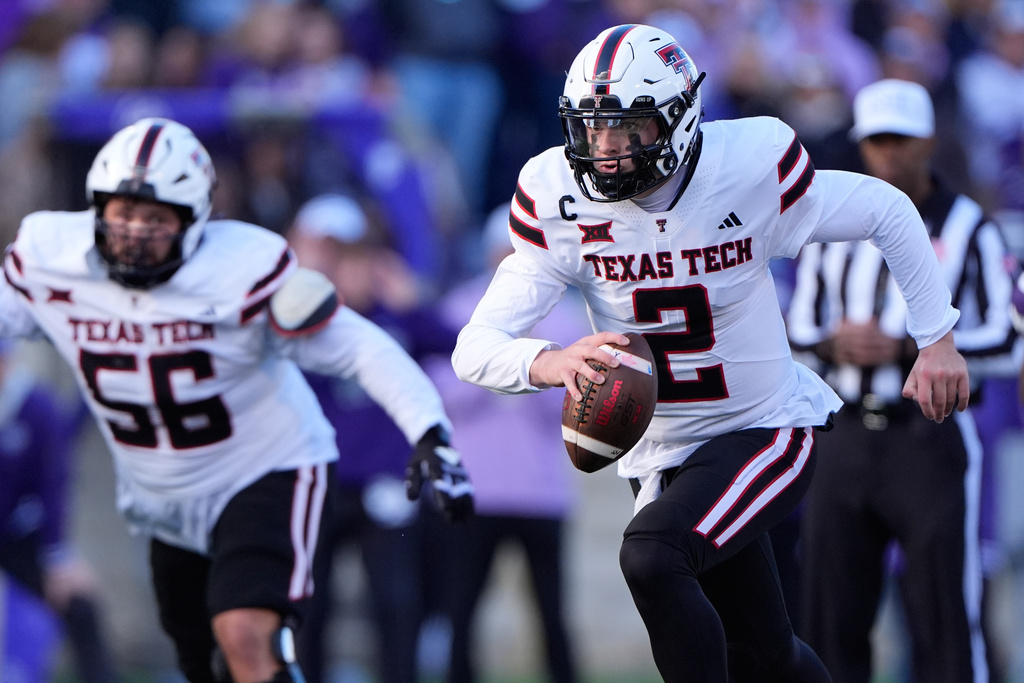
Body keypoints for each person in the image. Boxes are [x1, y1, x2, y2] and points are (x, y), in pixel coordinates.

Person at [451, 24, 970, 683]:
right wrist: (549, 360)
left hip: (764, 428)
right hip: (665, 455)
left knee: (651, 555)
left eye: (628, 128)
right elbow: (475, 348)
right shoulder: (557, 197)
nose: (605, 151)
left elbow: (888, 210)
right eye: (592, 129)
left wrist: (937, 340)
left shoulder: (745, 166)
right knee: (763, 656)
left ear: (680, 117)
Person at [0, 117, 474, 683]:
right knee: (204, 657)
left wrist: (428, 428)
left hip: (264, 467)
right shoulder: (53, 257)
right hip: (164, 489)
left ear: (195, 220)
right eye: (122, 212)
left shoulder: (241, 271)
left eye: (155, 218)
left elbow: (359, 347)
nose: (133, 231)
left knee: (247, 633)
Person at [786, 77, 1016, 683]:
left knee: (942, 616)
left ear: (928, 142)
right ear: (862, 144)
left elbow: (1008, 336)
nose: (889, 153)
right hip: (843, 437)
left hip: (928, 436)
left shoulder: (970, 226)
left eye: (902, 140)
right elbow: (798, 323)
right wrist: (834, 341)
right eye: (878, 140)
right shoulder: (831, 223)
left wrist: (915, 346)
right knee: (830, 616)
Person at [285, 193, 459, 683]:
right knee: (310, 604)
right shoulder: (308, 323)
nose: (352, 270)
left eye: (361, 258)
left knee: (394, 602)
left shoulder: (396, 318)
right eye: (342, 259)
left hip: (386, 484)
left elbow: (459, 347)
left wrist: (413, 302)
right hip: (321, 480)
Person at [426, 206, 584, 683]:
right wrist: (519, 365)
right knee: (462, 610)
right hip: (477, 489)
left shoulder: (568, 316)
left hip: (542, 492)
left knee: (553, 614)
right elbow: (443, 392)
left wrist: (520, 366)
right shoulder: (458, 309)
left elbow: (577, 406)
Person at [0, 341, 120, 683]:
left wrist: (58, 557)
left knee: (78, 604)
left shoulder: (38, 408)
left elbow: (53, 487)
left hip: (20, 534)